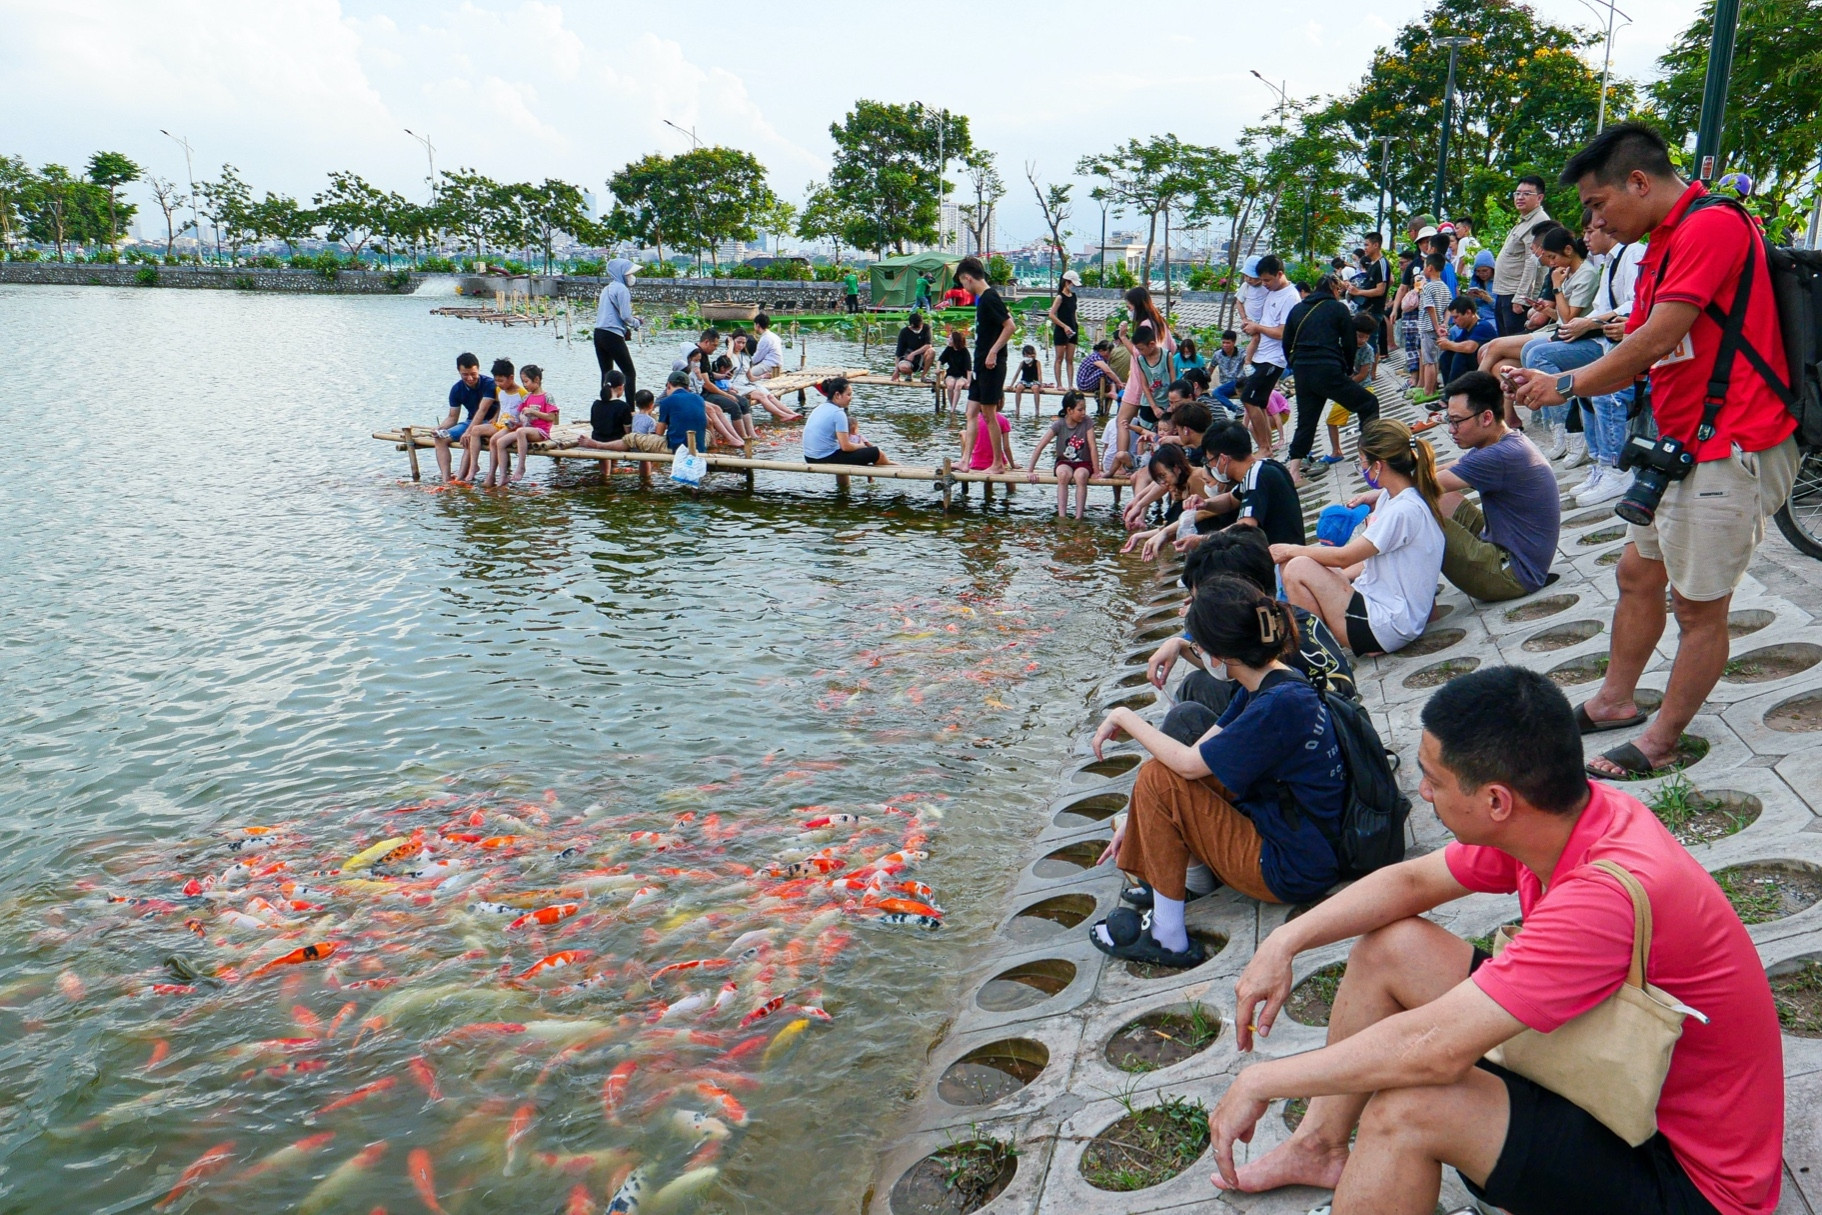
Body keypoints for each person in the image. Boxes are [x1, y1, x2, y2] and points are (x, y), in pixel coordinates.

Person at [1206, 665, 1783, 1215]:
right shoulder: (1569, 817)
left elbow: (1433, 1049)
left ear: (1496, 802)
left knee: (1410, 1107)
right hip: (1624, 1088)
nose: (1424, 794)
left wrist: (1261, 1079)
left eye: (1433, 780)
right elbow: (1411, 881)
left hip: (1689, 1182)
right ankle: (1319, 1147)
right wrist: (1283, 944)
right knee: (1391, 949)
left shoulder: (1602, 894)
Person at [1511, 121, 1802, 779]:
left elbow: (1650, 340)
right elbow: (1649, 339)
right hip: (1679, 442)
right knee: (1637, 574)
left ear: (1638, 182)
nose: (1593, 220)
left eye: (1596, 204)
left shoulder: (1711, 226)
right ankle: (1615, 700)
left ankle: (1662, 739)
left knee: (1699, 606)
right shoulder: (1663, 240)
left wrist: (1563, 384)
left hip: (1732, 442)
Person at [1085, 577, 1347, 968]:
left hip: (1292, 866)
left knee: (1157, 779)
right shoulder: (1270, 682)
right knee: (1184, 728)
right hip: (1301, 835)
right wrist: (1137, 820)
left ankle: (1167, 937)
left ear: (1220, 655)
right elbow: (1196, 753)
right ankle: (1183, 879)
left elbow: (1187, 767)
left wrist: (1125, 717)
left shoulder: (1277, 704)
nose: (1199, 654)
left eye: (1201, 647)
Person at [1273, 419, 1447, 656]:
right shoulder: (1394, 497)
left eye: (1361, 463)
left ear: (1378, 465)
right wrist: (1332, 578)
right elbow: (1363, 562)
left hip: (1386, 626)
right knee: (1311, 566)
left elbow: (1345, 556)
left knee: (1296, 567)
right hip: (1388, 615)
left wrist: (1291, 549)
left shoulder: (1402, 510)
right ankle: (1314, 642)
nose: (1361, 469)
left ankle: (1315, 653)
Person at [1147, 529, 1356, 726]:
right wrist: (1180, 644)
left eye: (1201, 600)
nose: (1197, 606)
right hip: (1345, 721)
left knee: (1185, 714)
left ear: (1232, 593)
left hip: (1313, 738)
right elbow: (1225, 663)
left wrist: (1125, 718)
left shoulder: (1263, 656)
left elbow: (1228, 666)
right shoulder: (1287, 616)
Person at [1432, 371, 1561, 602]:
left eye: (1457, 421)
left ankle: (1416, 595)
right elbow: (1440, 471)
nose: (1451, 429)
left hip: (1512, 576)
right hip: (1509, 552)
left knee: (1419, 512)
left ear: (1487, 417)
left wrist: (1383, 491)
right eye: (1448, 420)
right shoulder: (1503, 441)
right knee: (1440, 499)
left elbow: (1423, 486)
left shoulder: (1499, 455)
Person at [1565, 226, 1649, 507]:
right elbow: (1605, 306)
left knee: (1605, 392)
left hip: (1631, 344)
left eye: (1590, 230)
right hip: (1608, 339)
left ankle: (1617, 469)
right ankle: (1601, 463)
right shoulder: (1608, 262)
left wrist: (1596, 323)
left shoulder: (1635, 251)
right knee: (1585, 389)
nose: (1585, 238)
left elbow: (1635, 304)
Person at [1283, 274, 1382, 484]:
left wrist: (1294, 363)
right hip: (1327, 367)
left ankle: (1294, 472)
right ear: (1334, 290)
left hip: (1302, 369)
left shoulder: (1298, 309)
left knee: (1306, 421)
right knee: (1368, 403)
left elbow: (1286, 342)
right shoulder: (1338, 308)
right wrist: (1346, 368)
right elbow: (1348, 342)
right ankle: (1370, 456)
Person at [1193, 420, 1305, 546]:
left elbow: (1246, 525)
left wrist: (1202, 539)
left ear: (1223, 459)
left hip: (1281, 556)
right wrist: (1205, 504)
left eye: (1210, 461)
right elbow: (1231, 500)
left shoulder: (1257, 475)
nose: (1210, 466)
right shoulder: (1265, 466)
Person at [1239, 256, 1302, 457]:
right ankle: (1265, 448)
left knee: (1249, 398)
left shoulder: (1290, 297)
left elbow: (1283, 332)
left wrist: (1257, 327)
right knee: (1258, 402)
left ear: (1280, 274)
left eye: (1267, 280)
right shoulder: (1271, 291)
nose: (1263, 285)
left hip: (1274, 358)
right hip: (1261, 354)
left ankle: (1265, 447)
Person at [958, 256, 1015, 472]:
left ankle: (998, 463)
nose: (963, 287)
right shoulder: (983, 299)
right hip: (981, 363)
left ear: (968, 278)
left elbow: (1010, 326)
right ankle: (965, 460)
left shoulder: (990, 297)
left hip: (992, 364)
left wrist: (993, 352)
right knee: (971, 412)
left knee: (989, 415)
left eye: (962, 282)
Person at [1492, 174, 1554, 336]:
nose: (1520, 197)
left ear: (1539, 197)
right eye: (1517, 193)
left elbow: (1533, 261)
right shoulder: (1525, 219)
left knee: (1511, 345)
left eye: (1527, 194)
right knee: (1502, 341)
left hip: (1516, 296)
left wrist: (1520, 297)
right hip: (1505, 293)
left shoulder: (1539, 221)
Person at [1027, 391, 1100, 520]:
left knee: (1081, 476)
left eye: (1085, 409)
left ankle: (1079, 517)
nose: (1083, 413)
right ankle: (1062, 516)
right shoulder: (1059, 424)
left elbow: (1093, 446)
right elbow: (1040, 446)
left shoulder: (1087, 422)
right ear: (1069, 410)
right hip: (1064, 462)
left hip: (1083, 463)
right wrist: (1030, 470)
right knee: (1063, 475)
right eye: (1080, 410)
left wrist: (1096, 471)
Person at [1322, 314, 1383, 465]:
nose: (1362, 340)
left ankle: (1371, 451)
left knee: (1367, 422)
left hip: (1363, 388)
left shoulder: (1367, 350)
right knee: (1331, 421)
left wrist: (1344, 383)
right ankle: (1336, 451)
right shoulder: (1341, 344)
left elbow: (1363, 374)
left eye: (1366, 337)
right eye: (1359, 336)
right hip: (1345, 389)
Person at [486, 363, 557, 486]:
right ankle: (503, 476)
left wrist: (534, 411)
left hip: (540, 431)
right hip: (526, 429)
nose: (524, 385)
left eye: (526, 381)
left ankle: (521, 466)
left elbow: (552, 417)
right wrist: (514, 423)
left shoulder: (547, 397)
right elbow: (521, 417)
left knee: (520, 431)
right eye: (523, 382)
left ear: (537, 380)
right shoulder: (527, 397)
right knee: (500, 442)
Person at [432, 352, 497, 482]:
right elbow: (452, 417)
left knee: (470, 437)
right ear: (459, 372)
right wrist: (439, 428)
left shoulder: (490, 384)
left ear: (478, 369)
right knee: (440, 439)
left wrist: (468, 432)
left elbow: (482, 410)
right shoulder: (456, 389)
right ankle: (446, 479)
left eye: (473, 374)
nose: (470, 378)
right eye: (465, 375)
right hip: (471, 421)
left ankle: (462, 477)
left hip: (490, 422)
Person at [803, 375, 892, 467]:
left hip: (809, 457)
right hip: (822, 458)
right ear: (837, 395)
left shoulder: (820, 408)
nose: (851, 398)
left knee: (841, 451)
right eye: (848, 394)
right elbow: (846, 447)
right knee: (876, 452)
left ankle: (842, 482)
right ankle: (896, 468)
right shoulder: (838, 413)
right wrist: (862, 445)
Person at [458, 358, 518, 483]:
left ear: (511, 378)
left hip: (513, 426)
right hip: (500, 424)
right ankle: (474, 465)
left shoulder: (522, 393)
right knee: (475, 430)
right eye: (496, 380)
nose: (497, 383)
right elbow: (501, 405)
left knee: (495, 440)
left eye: (501, 381)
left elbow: (523, 411)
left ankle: (492, 475)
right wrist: (495, 417)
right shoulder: (499, 390)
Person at [592, 258, 639, 400]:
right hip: (612, 335)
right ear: (621, 274)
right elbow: (626, 316)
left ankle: (605, 406)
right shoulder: (622, 289)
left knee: (606, 373)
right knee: (629, 373)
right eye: (628, 274)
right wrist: (636, 322)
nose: (631, 277)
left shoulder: (606, 289)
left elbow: (609, 314)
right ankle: (630, 409)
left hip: (599, 333)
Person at [1415, 253, 1454, 399]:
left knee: (1428, 361)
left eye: (1425, 266)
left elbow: (1429, 308)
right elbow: (1449, 307)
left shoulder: (1427, 288)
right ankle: (1432, 386)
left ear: (1429, 268)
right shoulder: (1444, 287)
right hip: (1440, 328)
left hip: (1428, 328)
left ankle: (1428, 391)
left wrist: (1436, 325)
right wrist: (1444, 323)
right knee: (1435, 358)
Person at [1347, 231, 1392, 357]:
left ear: (1376, 245)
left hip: (1373, 310)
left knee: (1370, 342)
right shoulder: (1373, 264)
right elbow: (1390, 280)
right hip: (1366, 308)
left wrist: (1359, 292)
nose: (1364, 248)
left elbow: (1380, 289)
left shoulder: (1382, 263)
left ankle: (1371, 373)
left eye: (1367, 245)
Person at [1436, 296, 1497, 387]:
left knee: (1461, 355)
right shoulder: (1467, 329)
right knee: (1446, 356)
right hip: (1475, 365)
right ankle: (1449, 390)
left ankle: (1452, 393)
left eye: (1456, 317)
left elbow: (1470, 347)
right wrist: (1445, 340)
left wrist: (1448, 344)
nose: (1454, 321)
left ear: (1468, 313)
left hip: (1485, 366)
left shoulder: (1483, 326)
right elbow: (1457, 344)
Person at [591, 390, 667, 454]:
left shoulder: (633, 417)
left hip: (632, 445)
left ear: (636, 404)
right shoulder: (651, 421)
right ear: (651, 405)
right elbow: (651, 438)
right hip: (643, 448)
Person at [656, 371, 708, 454]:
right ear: (687, 388)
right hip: (699, 446)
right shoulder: (700, 399)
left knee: (631, 438)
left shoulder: (666, 401)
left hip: (677, 447)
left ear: (668, 385)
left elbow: (659, 433)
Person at [1048, 269, 1081, 387]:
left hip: (1073, 329)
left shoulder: (1074, 296)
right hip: (1062, 330)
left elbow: (1074, 311)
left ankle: (1070, 384)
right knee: (1059, 358)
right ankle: (1059, 384)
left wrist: (1076, 323)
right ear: (1067, 282)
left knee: (1070, 359)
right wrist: (1064, 326)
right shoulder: (1060, 297)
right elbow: (1051, 314)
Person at [1075, 339, 1125, 406]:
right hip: (1084, 384)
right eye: (1108, 353)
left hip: (1090, 382)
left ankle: (1112, 392)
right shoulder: (1095, 356)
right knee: (1105, 371)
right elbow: (1107, 371)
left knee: (1109, 372)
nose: (1109, 355)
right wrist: (1118, 382)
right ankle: (1112, 392)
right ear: (1101, 351)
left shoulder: (1102, 358)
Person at [893, 311, 934, 381]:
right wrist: (896, 371)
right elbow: (898, 353)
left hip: (922, 357)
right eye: (916, 328)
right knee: (903, 367)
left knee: (932, 351)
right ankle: (909, 375)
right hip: (908, 359)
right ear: (911, 326)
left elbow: (928, 345)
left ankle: (923, 376)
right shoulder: (904, 332)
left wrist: (913, 354)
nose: (918, 329)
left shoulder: (926, 328)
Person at [938, 329, 972, 412]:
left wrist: (968, 382)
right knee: (950, 385)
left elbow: (969, 369)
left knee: (958, 385)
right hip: (951, 373)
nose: (948, 340)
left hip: (962, 375)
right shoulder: (949, 349)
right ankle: (952, 406)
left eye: (950, 339)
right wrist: (938, 368)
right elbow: (940, 360)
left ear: (955, 341)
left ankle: (953, 409)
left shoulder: (964, 351)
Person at [1011, 344, 1045, 416]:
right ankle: (1017, 409)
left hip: (1034, 381)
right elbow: (1016, 374)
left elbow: (1039, 374)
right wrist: (1011, 385)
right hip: (1024, 380)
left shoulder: (1037, 363)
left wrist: (1041, 385)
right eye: (1028, 354)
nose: (1030, 356)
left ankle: (1037, 409)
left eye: (1032, 354)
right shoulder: (1022, 363)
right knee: (1019, 388)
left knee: (1035, 389)